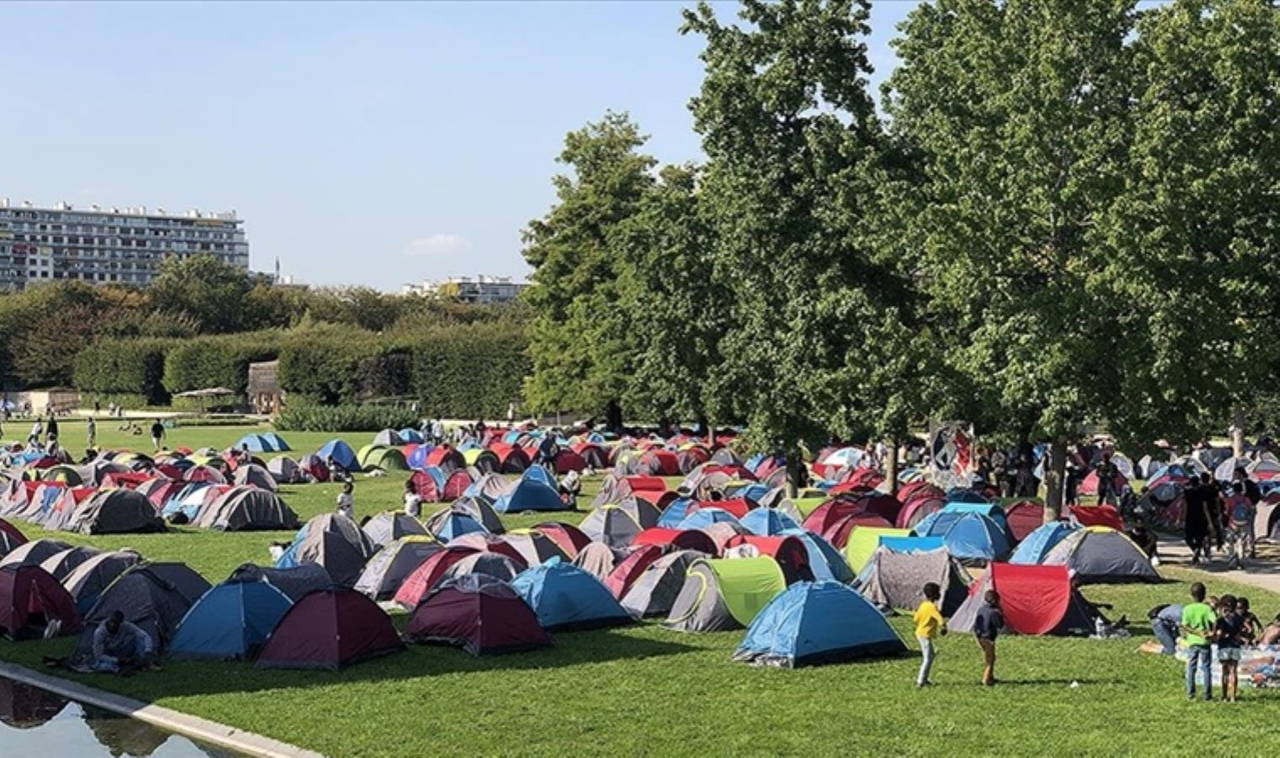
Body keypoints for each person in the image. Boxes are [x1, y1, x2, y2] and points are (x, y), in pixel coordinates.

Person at [1180, 582, 1216, 701]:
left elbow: (1185, 625)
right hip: (1205, 642)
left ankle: (1191, 694)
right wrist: (1212, 632)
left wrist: (1195, 632)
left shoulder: (1187, 609)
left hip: (1192, 641)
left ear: (1191, 595)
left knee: (1191, 667)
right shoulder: (1207, 608)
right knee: (1206, 668)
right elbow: (1215, 620)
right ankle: (1207, 695)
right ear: (1204, 595)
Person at [914, 582, 946, 687]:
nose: (940, 594)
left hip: (920, 632)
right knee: (927, 658)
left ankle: (925, 678)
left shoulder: (923, 605)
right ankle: (921, 681)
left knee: (931, 655)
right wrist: (943, 627)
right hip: (925, 635)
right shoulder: (932, 607)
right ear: (934, 595)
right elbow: (940, 619)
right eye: (938, 592)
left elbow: (916, 618)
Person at [1214, 595, 1245, 702]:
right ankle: (1233, 696)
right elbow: (1242, 631)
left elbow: (1219, 633)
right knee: (1233, 671)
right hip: (1235, 646)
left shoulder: (1221, 620)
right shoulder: (1239, 618)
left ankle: (1224, 696)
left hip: (1224, 646)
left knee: (1225, 672)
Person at [973, 590, 1003, 686]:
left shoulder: (981, 609)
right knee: (990, 659)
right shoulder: (994, 612)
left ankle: (991, 676)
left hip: (979, 636)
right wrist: (1000, 613)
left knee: (991, 656)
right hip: (988, 638)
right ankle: (986, 679)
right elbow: (1000, 624)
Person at [1223, 482, 1255, 567]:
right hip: (1244, 523)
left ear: (1233, 490)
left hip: (1233, 523)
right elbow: (1251, 510)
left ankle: (1232, 560)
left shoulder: (1230, 499)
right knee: (1242, 541)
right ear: (1242, 490)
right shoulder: (1246, 499)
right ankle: (1241, 559)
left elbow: (1227, 512)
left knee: (1231, 541)